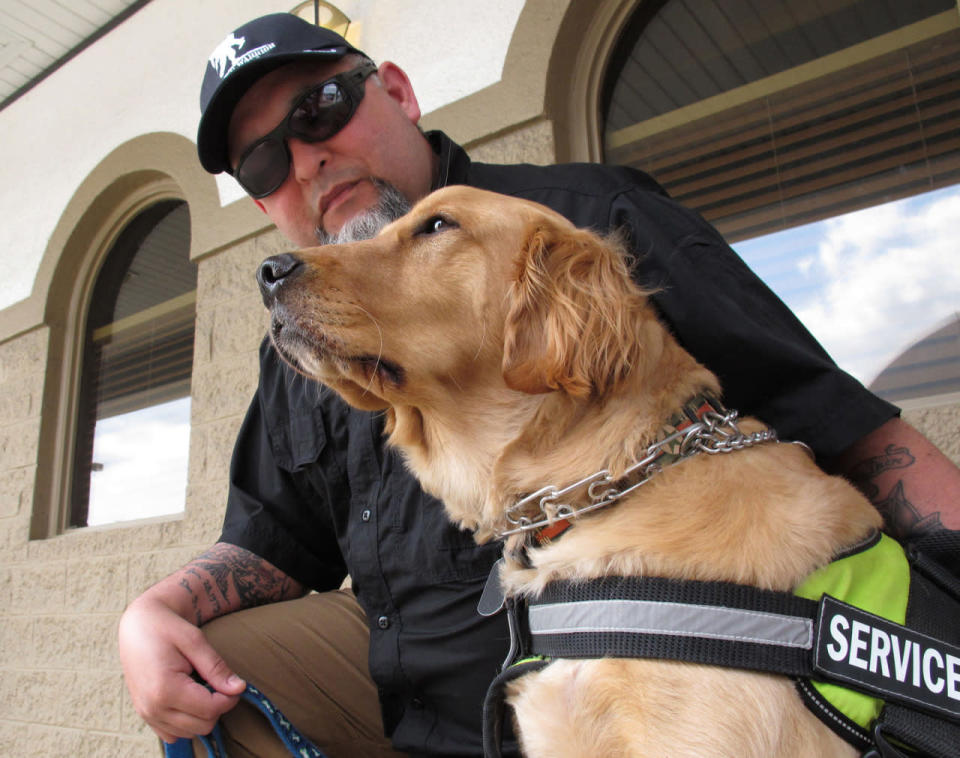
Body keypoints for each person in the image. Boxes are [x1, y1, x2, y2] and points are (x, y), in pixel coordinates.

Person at [118, 12, 960, 758]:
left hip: (608, 630)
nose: (305, 161)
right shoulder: (305, 331)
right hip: (401, 673)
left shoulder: (584, 220)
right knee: (204, 668)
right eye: (263, 162)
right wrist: (151, 613)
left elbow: (839, 419)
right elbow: (271, 536)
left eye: (319, 110)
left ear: (398, 95)